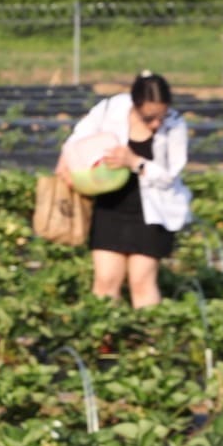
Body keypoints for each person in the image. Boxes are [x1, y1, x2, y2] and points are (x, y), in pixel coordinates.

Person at [55, 70, 193, 307]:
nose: (157, 123)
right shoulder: (111, 109)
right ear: (135, 104)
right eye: (149, 117)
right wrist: (66, 164)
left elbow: (170, 176)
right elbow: (77, 138)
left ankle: (150, 341)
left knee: (142, 282)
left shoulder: (175, 125)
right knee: (105, 282)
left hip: (152, 213)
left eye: (162, 115)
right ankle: (106, 340)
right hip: (110, 208)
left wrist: (135, 162)